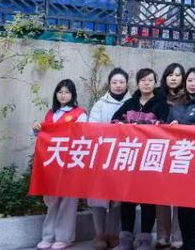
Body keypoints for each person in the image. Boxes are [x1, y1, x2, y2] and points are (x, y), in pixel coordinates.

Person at [112, 68, 170, 250]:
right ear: (137, 83)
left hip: (150, 159)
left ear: (155, 83)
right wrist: (137, 125)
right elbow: (114, 122)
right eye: (143, 80)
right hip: (129, 159)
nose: (146, 83)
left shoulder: (162, 104)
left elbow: (163, 126)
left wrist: (135, 125)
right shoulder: (130, 103)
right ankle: (125, 238)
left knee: (148, 200)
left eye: (150, 80)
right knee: (127, 199)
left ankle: (145, 239)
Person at [33, 79, 88, 250]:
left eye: (67, 92)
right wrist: (37, 129)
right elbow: (45, 136)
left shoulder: (80, 114)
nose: (63, 95)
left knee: (68, 201)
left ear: (73, 95)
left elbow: (82, 136)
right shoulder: (51, 113)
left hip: (71, 161)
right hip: (53, 162)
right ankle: (48, 236)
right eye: (60, 92)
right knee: (51, 200)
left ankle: (64, 237)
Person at [169, 67, 195, 250]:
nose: (192, 84)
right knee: (183, 206)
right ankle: (187, 243)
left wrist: (187, 126)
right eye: (189, 80)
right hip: (181, 161)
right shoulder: (178, 104)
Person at [88, 68, 130, 250]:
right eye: (114, 82)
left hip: (122, 157)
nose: (118, 86)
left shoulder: (132, 103)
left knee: (117, 199)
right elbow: (92, 129)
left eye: (121, 82)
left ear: (126, 83)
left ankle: (113, 233)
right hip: (101, 156)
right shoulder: (100, 104)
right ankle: (99, 234)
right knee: (97, 197)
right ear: (109, 84)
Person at [158, 63, 187, 249]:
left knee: (178, 195)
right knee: (160, 194)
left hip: (181, 151)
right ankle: (162, 235)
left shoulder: (187, 99)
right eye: (170, 75)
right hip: (160, 150)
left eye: (177, 75)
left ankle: (177, 235)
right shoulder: (157, 96)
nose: (174, 78)